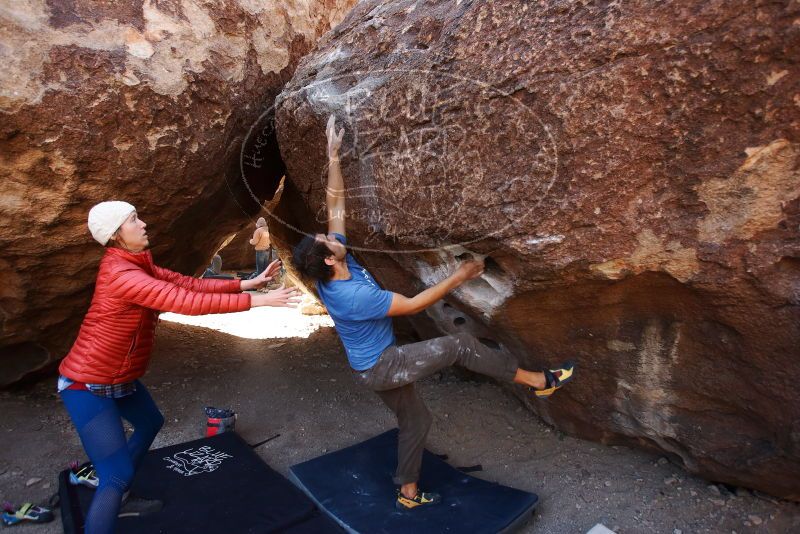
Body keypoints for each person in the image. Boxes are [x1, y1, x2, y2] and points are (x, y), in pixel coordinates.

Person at [293, 116, 576, 511]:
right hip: (382, 365)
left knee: (416, 422)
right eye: (326, 240)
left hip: (371, 366)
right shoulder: (351, 294)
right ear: (328, 258)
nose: (331, 234)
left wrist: (333, 155)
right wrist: (459, 274)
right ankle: (538, 380)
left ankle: (407, 494)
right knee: (461, 345)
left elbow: (335, 205)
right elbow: (413, 305)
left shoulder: (336, 264)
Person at [58, 201, 300, 534]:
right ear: (117, 234)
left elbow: (187, 284)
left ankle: (122, 496)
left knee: (150, 423)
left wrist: (245, 284)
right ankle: (115, 494)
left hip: (119, 378)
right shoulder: (121, 274)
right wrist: (256, 302)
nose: (143, 224)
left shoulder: (134, 263)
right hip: (87, 383)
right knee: (115, 474)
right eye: (134, 220)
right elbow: (184, 302)